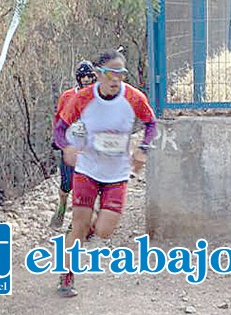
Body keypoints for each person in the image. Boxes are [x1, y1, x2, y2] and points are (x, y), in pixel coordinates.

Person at [53, 48, 158, 297]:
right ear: (99, 74)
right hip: (87, 170)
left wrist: (143, 150)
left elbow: (151, 123)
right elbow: (60, 127)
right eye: (110, 74)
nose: (115, 80)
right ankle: (66, 276)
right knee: (78, 226)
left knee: (104, 231)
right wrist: (67, 147)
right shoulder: (82, 99)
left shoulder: (133, 98)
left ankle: (88, 224)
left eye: (121, 74)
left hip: (117, 174)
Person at [49, 60, 97, 228]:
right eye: (82, 76)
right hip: (70, 145)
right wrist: (57, 138)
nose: (86, 80)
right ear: (78, 78)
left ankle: (78, 221)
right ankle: (61, 208)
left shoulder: (99, 96)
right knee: (66, 183)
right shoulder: (68, 96)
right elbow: (59, 118)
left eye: (89, 76)